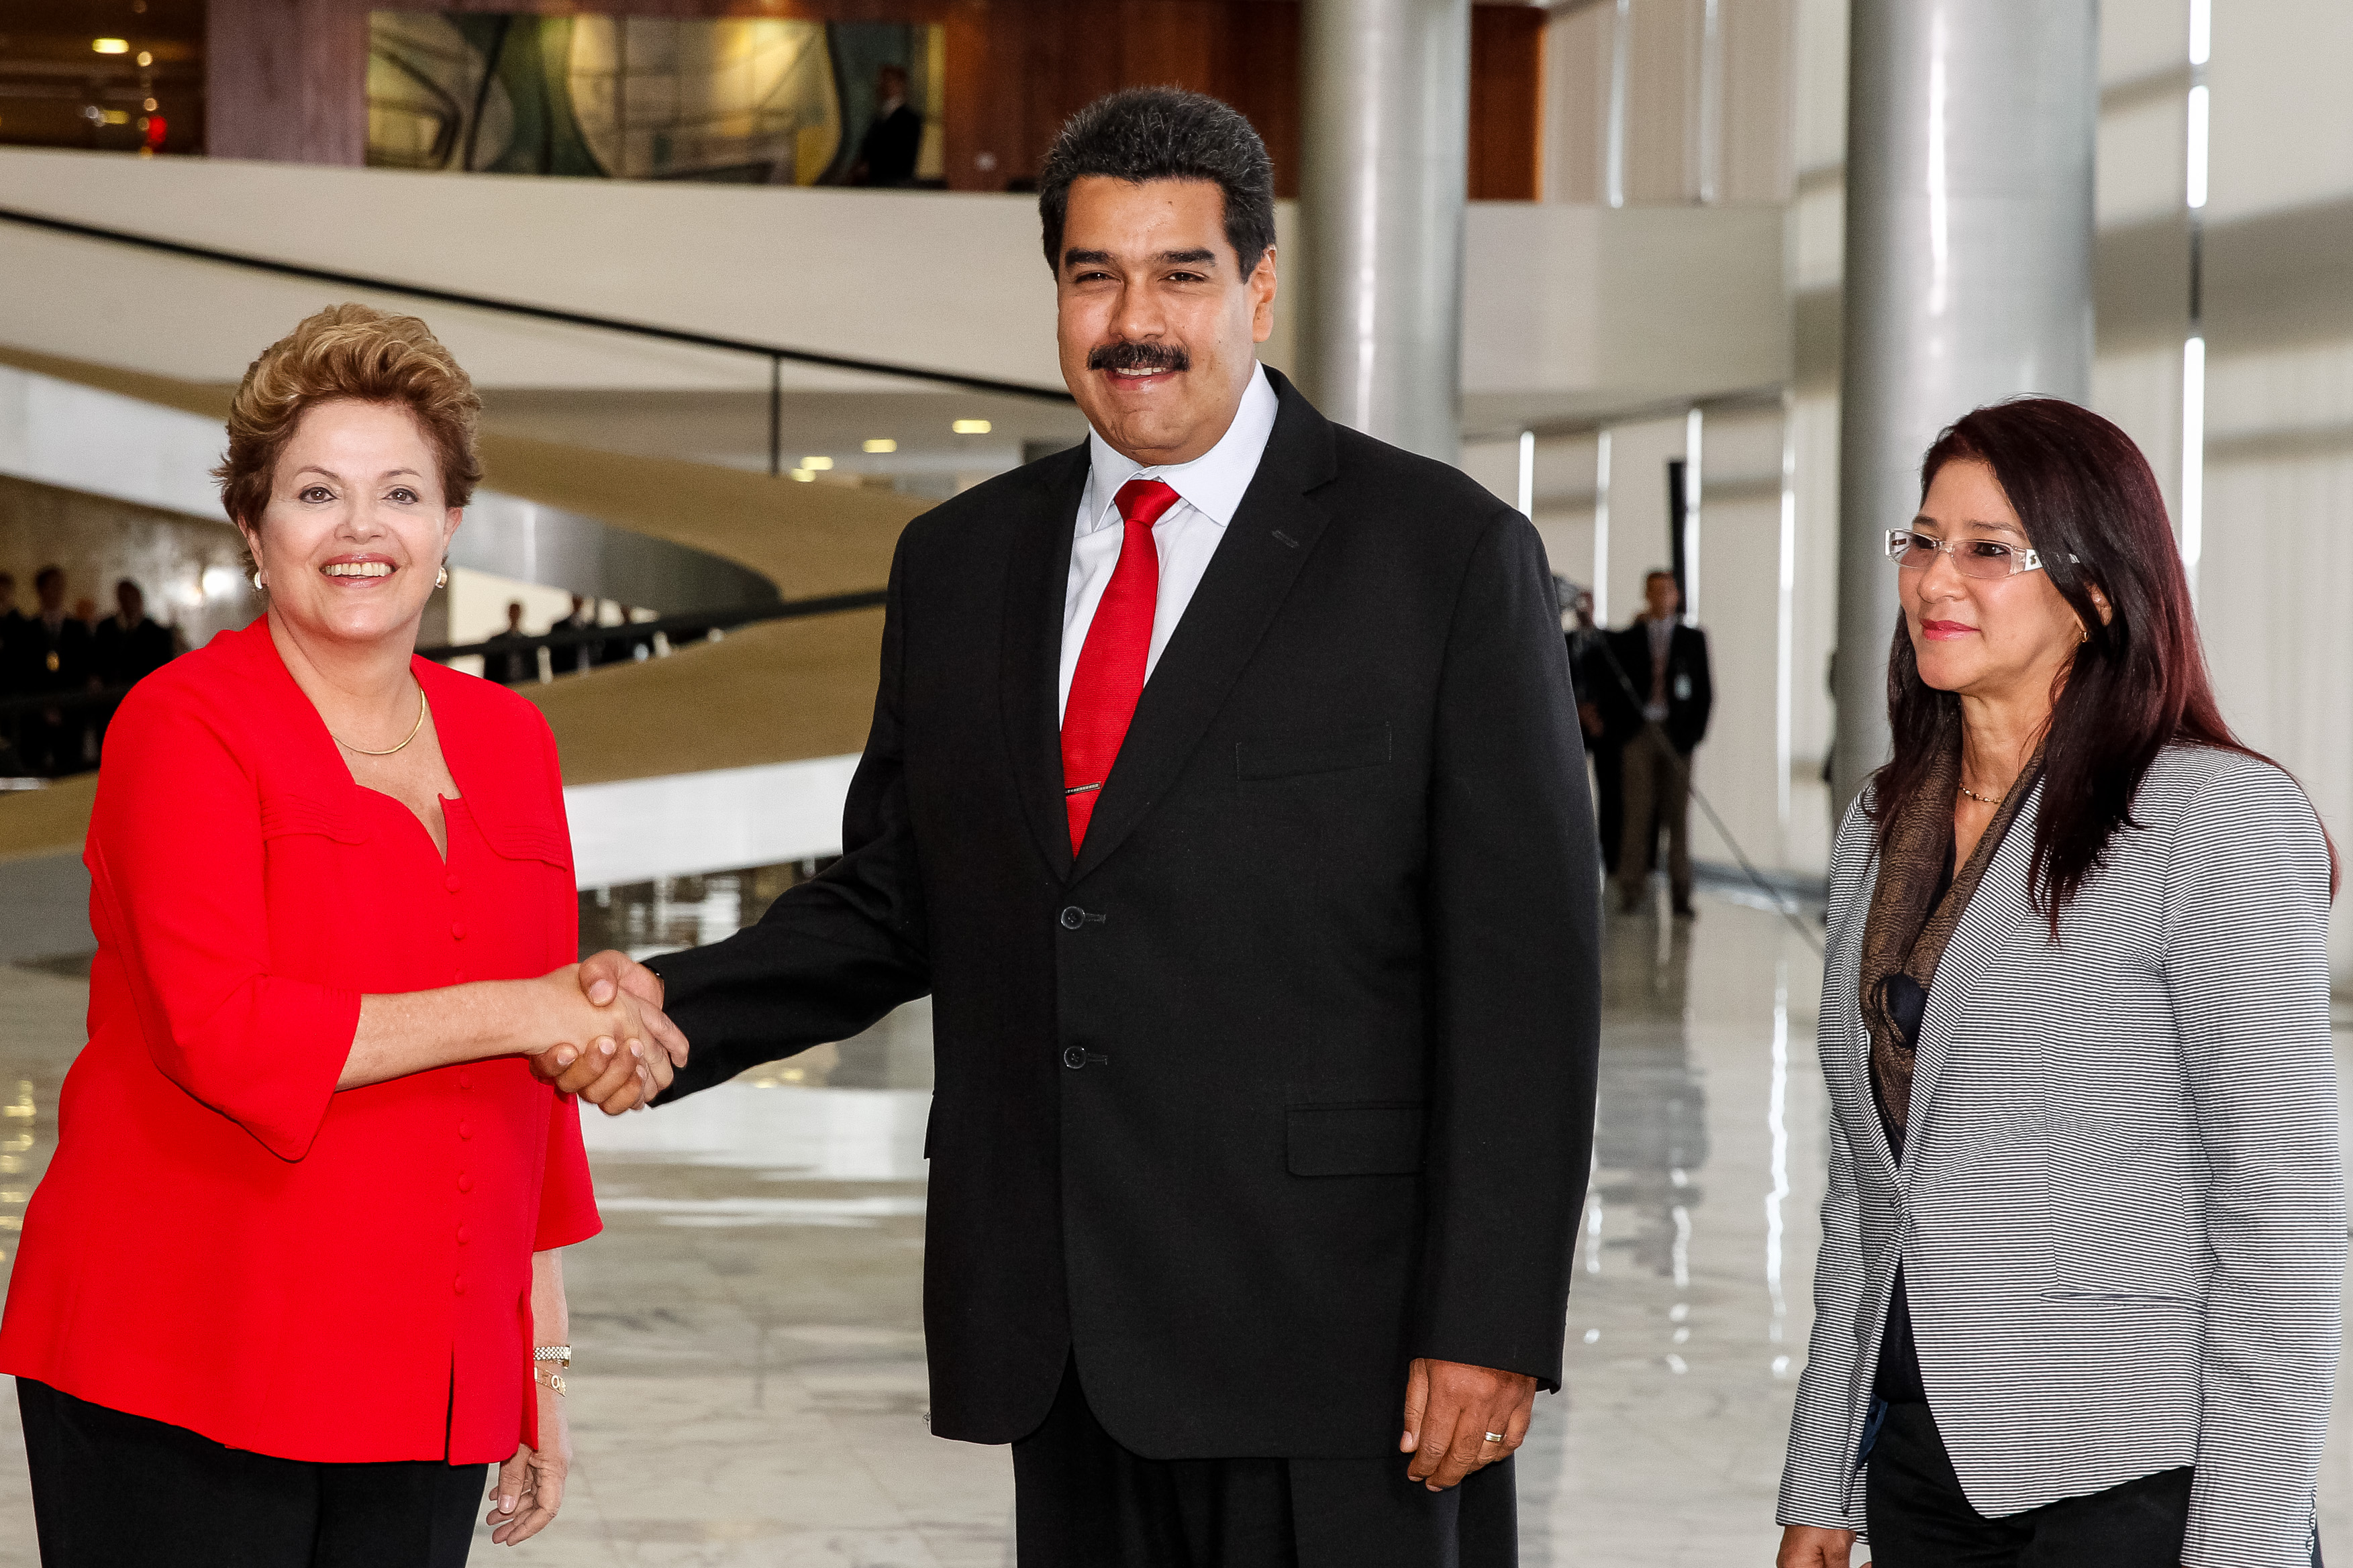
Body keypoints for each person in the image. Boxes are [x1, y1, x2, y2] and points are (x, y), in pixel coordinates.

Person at [559, 87, 1599, 1568]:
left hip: (1338, 1338)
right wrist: (671, 1004)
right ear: (1053, 289)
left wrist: (1489, 1321)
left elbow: (1527, 977)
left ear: (1258, 284)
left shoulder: (1438, 555)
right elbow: (895, 897)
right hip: (1061, 1329)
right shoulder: (960, 562)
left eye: (1181, 273)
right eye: (1094, 273)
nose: (1136, 319)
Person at [0, 303, 687, 1568]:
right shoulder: (181, 729)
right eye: (317, 492)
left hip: (426, 1371)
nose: (361, 529)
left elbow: (532, 1082)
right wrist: (536, 1006)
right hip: (187, 1354)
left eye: (400, 494)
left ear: (448, 534)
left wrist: (536, 1352)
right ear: (256, 531)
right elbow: (228, 1031)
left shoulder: (511, 741)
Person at [1776, 399, 2343, 1568]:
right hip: (1922, 1463)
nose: (1939, 579)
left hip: (2131, 1473)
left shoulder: (2207, 817)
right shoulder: (1878, 831)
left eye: (1991, 550)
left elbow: (2280, 1212)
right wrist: (1822, 1478)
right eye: (1923, 540)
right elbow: (1861, 1192)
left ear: (2094, 591)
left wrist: (2241, 1544)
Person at [1599, 570, 1711, 917]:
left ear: (1676, 596)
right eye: (1654, 591)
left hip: (1677, 736)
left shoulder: (1692, 639)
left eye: (1667, 591)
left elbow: (1705, 693)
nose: (1661, 597)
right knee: (1636, 811)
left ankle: (1681, 893)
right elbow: (1611, 683)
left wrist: (1691, 737)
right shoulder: (1631, 637)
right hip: (1640, 733)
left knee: (1678, 817)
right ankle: (1630, 888)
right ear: (1646, 595)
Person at [1563, 583, 1621, 877]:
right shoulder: (1562, 641)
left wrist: (1598, 714)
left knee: (1610, 793)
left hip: (1603, 726)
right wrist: (1578, 710)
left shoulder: (1610, 642)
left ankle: (1610, 860)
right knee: (1569, 790)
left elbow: (1617, 686)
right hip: (1572, 722)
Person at [19, 565, 94, 775]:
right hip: (36, 715)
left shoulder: (77, 628)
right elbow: (25, 672)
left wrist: (66, 704)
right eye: (52, 586)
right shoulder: (27, 630)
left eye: (60, 586)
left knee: (71, 771)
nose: (57, 592)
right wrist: (44, 705)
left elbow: (82, 667)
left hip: (71, 715)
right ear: (41, 590)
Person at [92, 578, 179, 690]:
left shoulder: (157, 634)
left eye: (132, 599)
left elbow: (162, 668)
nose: (129, 603)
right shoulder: (105, 628)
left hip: (144, 692)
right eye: (125, 599)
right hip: (112, 693)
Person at [850, 64, 923, 187]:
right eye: (883, 81)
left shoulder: (909, 119)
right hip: (873, 183)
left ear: (902, 84)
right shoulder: (878, 118)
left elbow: (903, 156)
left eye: (890, 80)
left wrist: (872, 167)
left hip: (893, 185)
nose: (885, 85)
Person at [485, 598, 536, 684]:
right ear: (509, 613)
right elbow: (490, 671)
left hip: (525, 685)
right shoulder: (496, 641)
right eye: (513, 612)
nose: (515, 615)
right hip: (503, 686)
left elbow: (534, 670)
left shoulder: (529, 642)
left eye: (517, 612)